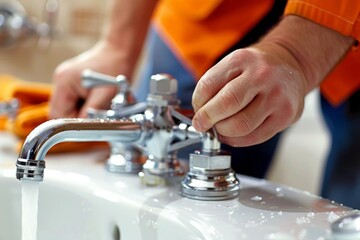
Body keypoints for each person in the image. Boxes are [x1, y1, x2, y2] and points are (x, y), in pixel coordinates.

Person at [49, 0, 360, 209]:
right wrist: (118, 43)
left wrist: (297, 53)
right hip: (206, 16)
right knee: (147, 193)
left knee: (349, 215)